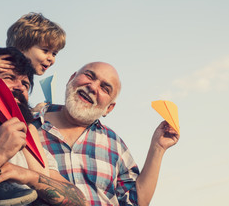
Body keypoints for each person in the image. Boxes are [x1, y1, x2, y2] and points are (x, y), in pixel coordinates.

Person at [0, 47, 87, 205]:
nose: (20, 87)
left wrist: (30, 177)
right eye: (9, 77)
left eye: (25, 84)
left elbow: (80, 201)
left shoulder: (33, 144)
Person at [33, 61, 180, 206]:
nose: (92, 87)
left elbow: (137, 201)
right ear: (71, 78)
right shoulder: (28, 126)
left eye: (105, 88)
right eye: (89, 76)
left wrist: (158, 147)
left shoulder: (113, 143)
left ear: (109, 108)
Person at [0, 12, 66, 94]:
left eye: (54, 54)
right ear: (22, 47)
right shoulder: (0, 61)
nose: (51, 58)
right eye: (45, 51)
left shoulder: (26, 77)